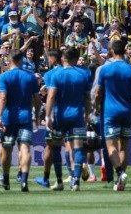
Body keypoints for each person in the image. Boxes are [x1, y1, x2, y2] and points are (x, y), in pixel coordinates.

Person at [93, 39, 131, 192]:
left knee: (111, 147)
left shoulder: (105, 70)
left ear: (112, 51)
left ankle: (120, 173)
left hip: (110, 112)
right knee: (124, 148)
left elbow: (98, 93)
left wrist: (96, 107)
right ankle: (120, 182)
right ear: (124, 51)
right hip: (127, 112)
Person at [45, 48, 92, 191]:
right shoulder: (83, 74)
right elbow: (87, 97)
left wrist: (47, 116)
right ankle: (76, 180)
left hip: (60, 116)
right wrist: (88, 113)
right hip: (77, 115)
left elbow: (52, 96)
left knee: (57, 147)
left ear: (63, 58)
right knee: (78, 148)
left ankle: (59, 181)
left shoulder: (56, 74)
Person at [0, 50, 40, 192]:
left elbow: (2, 97)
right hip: (25, 117)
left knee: (7, 150)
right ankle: (24, 181)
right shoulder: (30, 76)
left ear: (9, 59)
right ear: (22, 60)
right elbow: (37, 99)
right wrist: (37, 115)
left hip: (9, 117)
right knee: (25, 148)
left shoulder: (4, 76)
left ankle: (6, 179)